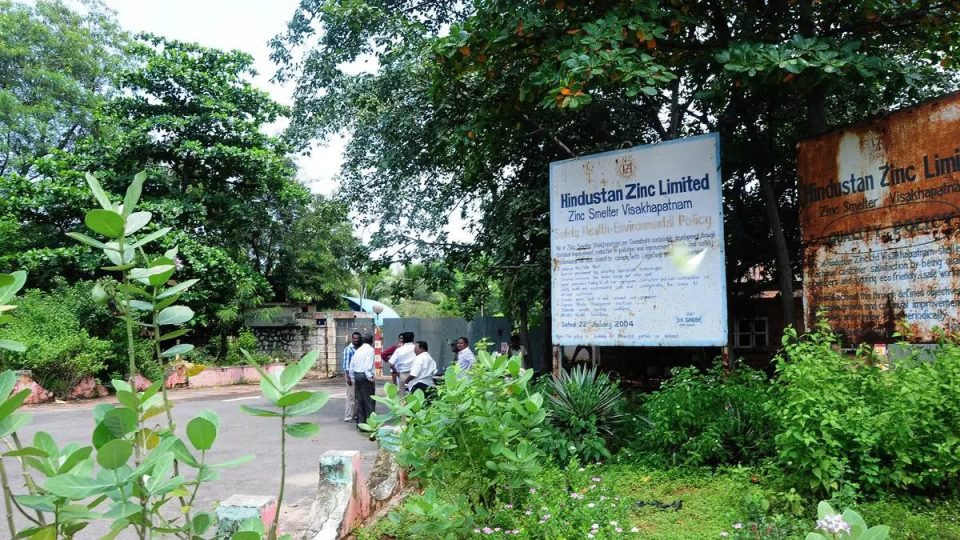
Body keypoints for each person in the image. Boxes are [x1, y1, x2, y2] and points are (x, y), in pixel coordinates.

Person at [350, 334, 377, 427]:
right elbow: (368, 365)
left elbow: (352, 364)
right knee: (369, 401)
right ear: (371, 341)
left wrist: (352, 376)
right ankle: (370, 424)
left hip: (357, 375)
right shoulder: (370, 350)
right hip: (365, 375)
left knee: (360, 400)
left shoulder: (358, 350)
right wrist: (370, 377)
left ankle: (360, 423)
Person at [387, 331, 416, 399]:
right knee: (415, 395)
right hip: (415, 374)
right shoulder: (416, 348)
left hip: (403, 374)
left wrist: (397, 372)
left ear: (403, 340)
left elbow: (391, 364)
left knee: (402, 396)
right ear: (413, 339)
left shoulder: (399, 350)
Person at [341, 332, 361, 422]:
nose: (356, 340)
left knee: (357, 397)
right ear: (352, 339)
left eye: (358, 338)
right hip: (350, 376)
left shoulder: (359, 348)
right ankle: (348, 417)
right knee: (350, 397)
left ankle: (355, 415)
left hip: (357, 376)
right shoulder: (348, 349)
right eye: (355, 338)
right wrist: (348, 377)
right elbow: (346, 364)